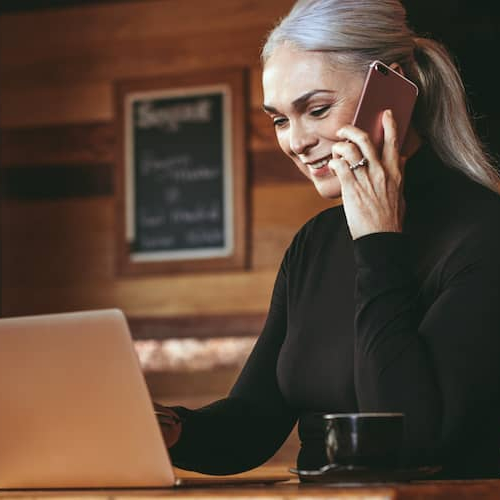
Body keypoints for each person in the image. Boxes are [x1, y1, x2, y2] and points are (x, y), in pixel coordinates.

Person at [154, 0, 500, 479]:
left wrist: (378, 240)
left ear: (397, 91)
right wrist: (165, 427)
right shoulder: (313, 244)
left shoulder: (484, 234)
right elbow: (252, 424)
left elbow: (411, 439)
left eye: (316, 109)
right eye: (279, 120)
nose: (295, 141)